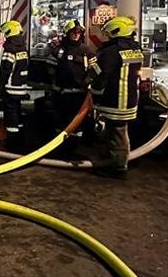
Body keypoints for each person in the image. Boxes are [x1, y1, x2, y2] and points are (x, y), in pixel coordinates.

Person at [90, 16, 144, 178]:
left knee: (117, 134)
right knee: (117, 132)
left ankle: (118, 168)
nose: (106, 37)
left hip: (114, 99)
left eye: (108, 34)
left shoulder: (111, 52)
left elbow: (100, 76)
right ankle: (113, 161)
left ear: (116, 31)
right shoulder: (135, 49)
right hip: (129, 100)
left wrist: (94, 92)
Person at [53, 20, 99, 133]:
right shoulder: (59, 50)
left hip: (79, 91)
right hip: (62, 91)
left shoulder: (87, 51)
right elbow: (50, 67)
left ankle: (77, 136)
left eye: (78, 33)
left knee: (77, 118)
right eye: (73, 33)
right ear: (67, 34)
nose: (76, 35)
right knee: (61, 116)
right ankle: (60, 137)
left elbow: (95, 69)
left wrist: (88, 80)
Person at [0, 20, 30, 147]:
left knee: (10, 115)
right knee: (17, 112)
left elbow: (5, 71)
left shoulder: (10, 49)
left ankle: (12, 141)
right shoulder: (23, 48)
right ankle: (20, 137)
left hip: (10, 88)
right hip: (21, 87)